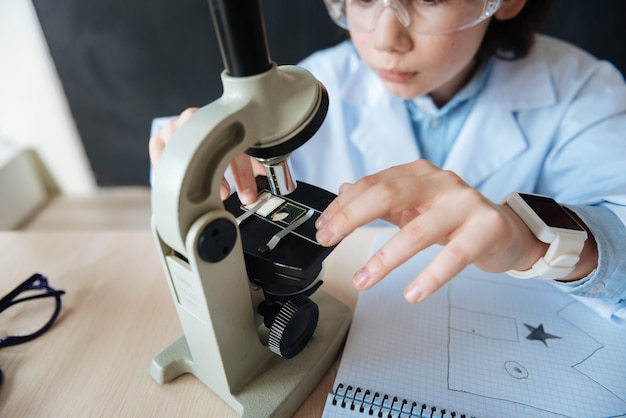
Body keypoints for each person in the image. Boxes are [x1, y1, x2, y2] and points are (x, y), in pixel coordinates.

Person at [149, 0, 626, 313]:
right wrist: (185, 162)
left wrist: (533, 243)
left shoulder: (584, 92)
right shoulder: (311, 86)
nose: (384, 40)